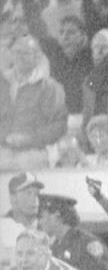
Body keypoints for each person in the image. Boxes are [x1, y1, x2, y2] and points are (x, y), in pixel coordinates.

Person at [0, 34, 68, 171]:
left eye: (25, 53)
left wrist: (29, 139)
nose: (19, 56)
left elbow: (59, 125)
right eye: (16, 52)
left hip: (32, 155)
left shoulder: (50, 87)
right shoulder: (2, 83)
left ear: (37, 57)